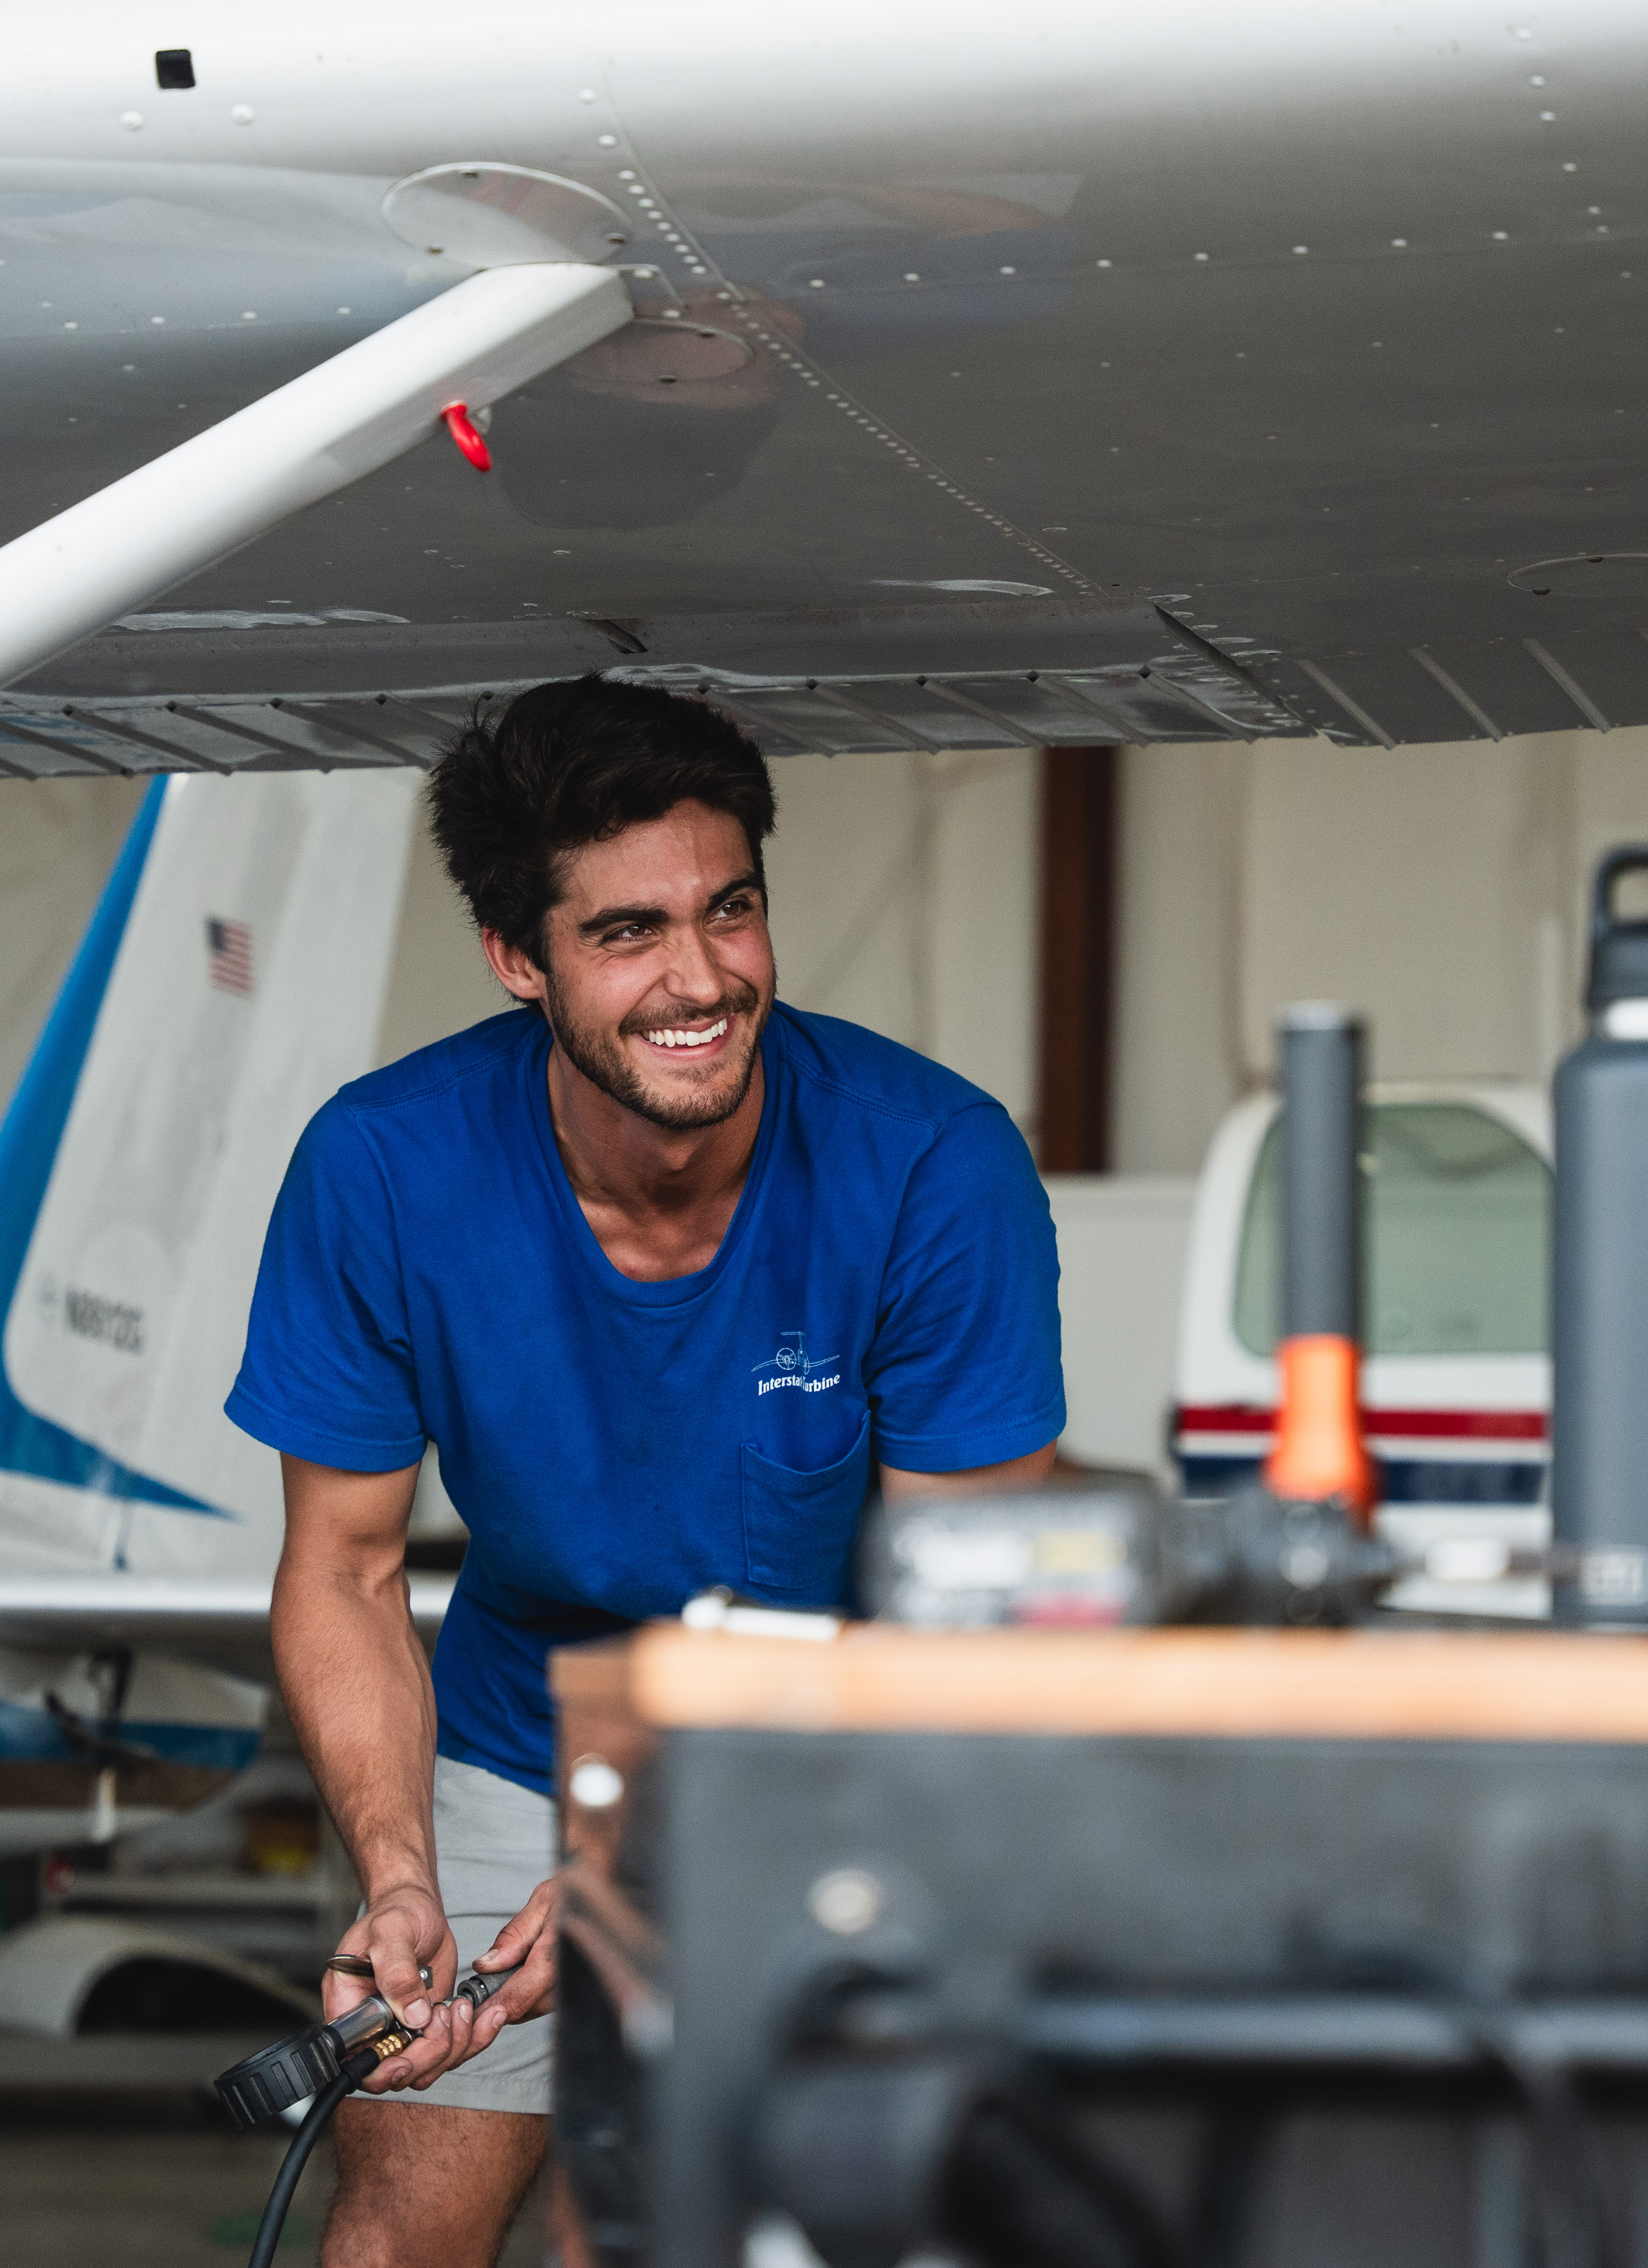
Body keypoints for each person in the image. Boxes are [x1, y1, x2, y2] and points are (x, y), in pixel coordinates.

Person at [224, 676, 1064, 2267]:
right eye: (626, 933)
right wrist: (398, 1873)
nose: (701, 978)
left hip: (835, 1757)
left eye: (729, 909)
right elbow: (340, 1566)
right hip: (516, 1734)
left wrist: (662, 1841)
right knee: (395, 2233)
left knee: (671, 2233)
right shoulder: (383, 1166)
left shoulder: (931, 1163)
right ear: (519, 961)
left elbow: (974, 1612)